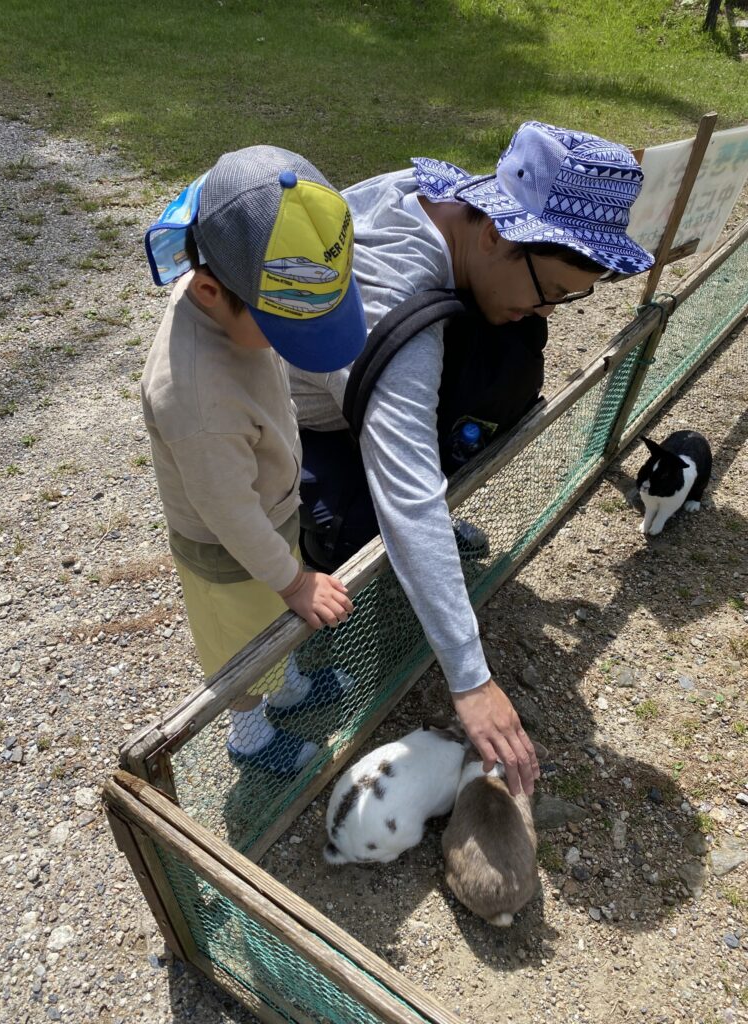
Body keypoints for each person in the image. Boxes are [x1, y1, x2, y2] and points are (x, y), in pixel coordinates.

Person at [290, 121, 655, 795]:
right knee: (379, 520)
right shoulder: (396, 307)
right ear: (496, 233)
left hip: (367, 391)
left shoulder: (453, 203)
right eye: (551, 290)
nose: (549, 309)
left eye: (571, 299)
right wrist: (470, 676)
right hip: (301, 423)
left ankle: (414, 548)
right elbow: (410, 496)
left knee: (502, 358)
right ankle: (321, 550)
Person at [140, 146, 367, 776]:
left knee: (273, 612)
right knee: (238, 641)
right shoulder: (195, 398)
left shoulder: (235, 293)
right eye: (283, 328)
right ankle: (248, 730)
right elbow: (227, 508)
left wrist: (287, 580)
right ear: (211, 290)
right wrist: (295, 583)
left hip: (272, 514)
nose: (291, 346)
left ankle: (288, 682)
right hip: (228, 547)